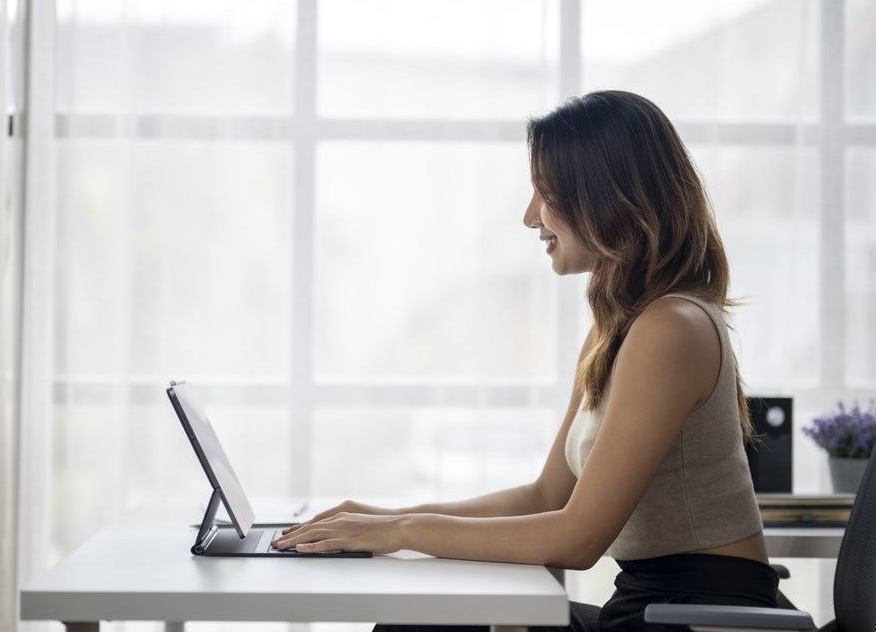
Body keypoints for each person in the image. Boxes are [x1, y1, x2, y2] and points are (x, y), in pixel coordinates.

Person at [273, 90, 781, 631]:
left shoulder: (671, 329)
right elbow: (546, 496)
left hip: (701, 618)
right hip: (648, 609)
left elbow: (577, 540)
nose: (529, 215)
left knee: (421, 625)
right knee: (426, 620)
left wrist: (401, 533)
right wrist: (388, 518)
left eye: (545, 191)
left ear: (607, 196)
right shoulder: (621, 329)